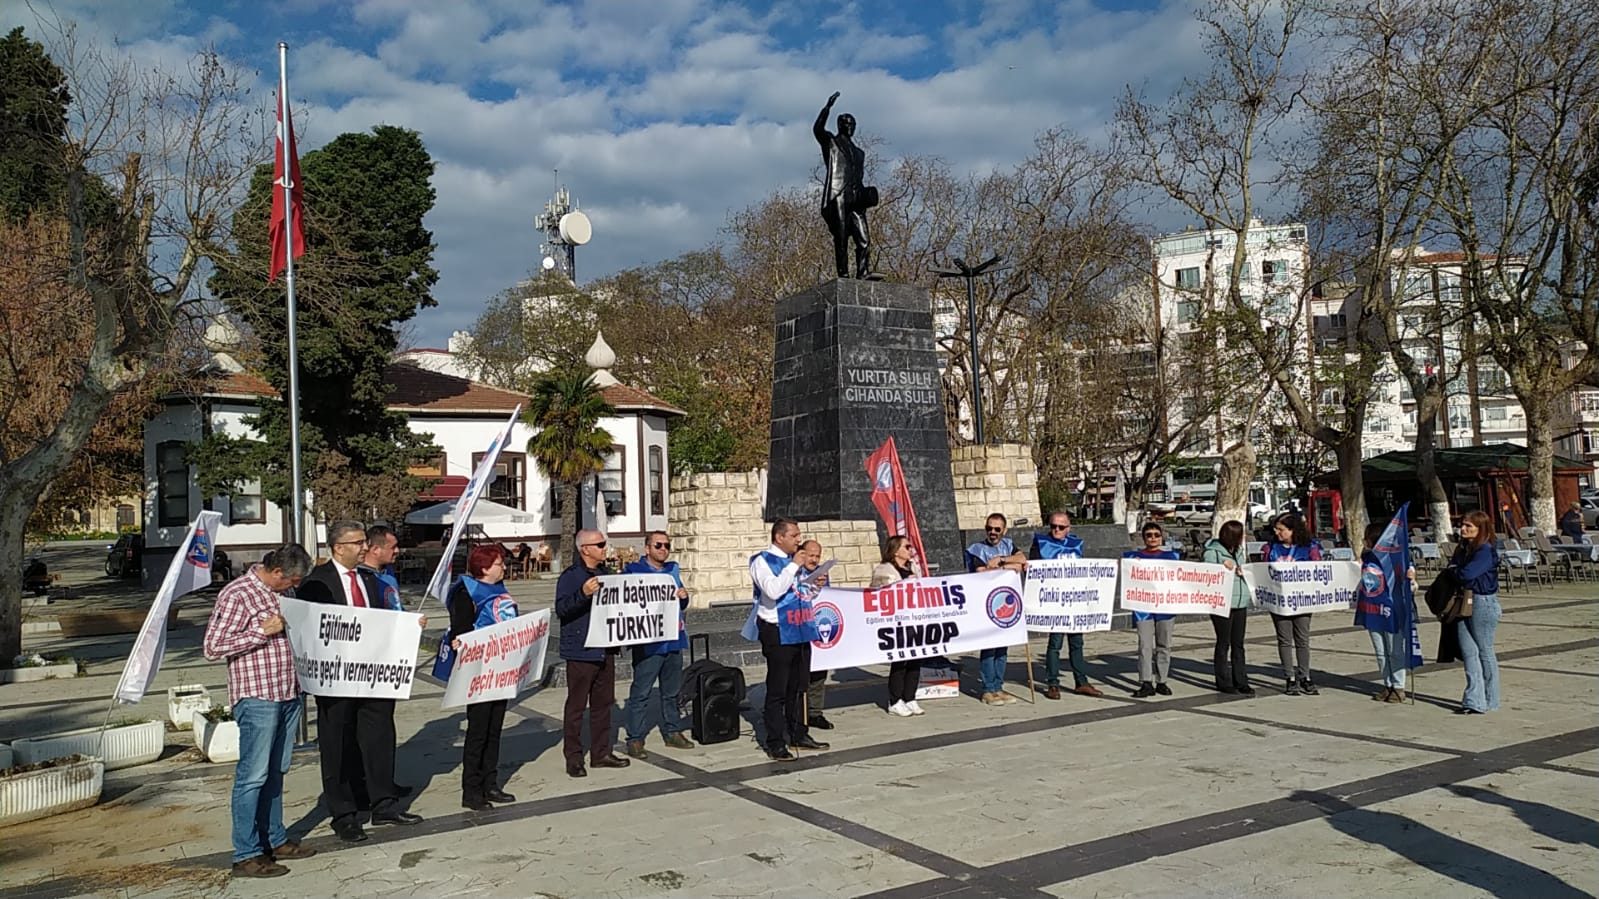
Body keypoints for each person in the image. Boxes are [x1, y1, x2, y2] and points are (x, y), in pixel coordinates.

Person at [298, 521, 422, 842]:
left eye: (366, 541)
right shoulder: (317, 583)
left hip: (373, 675)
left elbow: (383, 619)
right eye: (358, 542)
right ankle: (344, 813)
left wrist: (408, 625)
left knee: (379, 736)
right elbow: (309, 629)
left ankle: (384, 802)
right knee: (338, 743)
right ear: (339, 547)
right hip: (336, 677)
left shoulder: (370, 580)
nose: (365, 547)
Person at [202, 544, 316, 878]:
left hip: (287, 691)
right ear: (277, 571)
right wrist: (259, 632)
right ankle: (246, 852)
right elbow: (212, 646)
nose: (294, 584)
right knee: (253, 776)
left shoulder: (286, 592)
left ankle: (274, 838)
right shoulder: (237, 594)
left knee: (276, 771)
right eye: (292, 578)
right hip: (257, 695)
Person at [447, 544, 520, 810]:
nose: (504, 568)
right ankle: (472, 790)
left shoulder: (500, 589)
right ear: (485, 567)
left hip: (501, 670)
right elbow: (461, 631)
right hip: (479, 673)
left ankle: (491, 783)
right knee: (478, 732)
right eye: (500, 563)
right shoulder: (466, 593)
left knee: (494, 730)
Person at [749, 518, 829, 761]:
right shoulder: (762, 561)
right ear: (779, 537)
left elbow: (800, 592)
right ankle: (775, 741)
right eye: (794, 535)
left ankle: (798, 732)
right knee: (778, 688)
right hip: (777, 629)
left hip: (800, 626)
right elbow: (773, 591)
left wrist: (815, 584)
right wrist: (794, 565)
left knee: (799, 685)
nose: (798, 539)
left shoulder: (797, 562)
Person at [555, 529, 631, 777]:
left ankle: (601, 752)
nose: (604, 547)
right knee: (576, 707)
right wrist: (583, 594)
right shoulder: (571, 576)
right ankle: (574, 758)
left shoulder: (605, 573)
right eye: (599, 544)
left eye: (604, 543)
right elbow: (562, 609)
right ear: (585, 549)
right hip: (581, 649)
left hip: (605, 648)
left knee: (603, 704)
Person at [621, 531, 696, 758]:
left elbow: (682, 603)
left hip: (673, 637)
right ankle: (635, 738)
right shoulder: (633, 571)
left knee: (671, 691)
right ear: (647, 549)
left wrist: (683, 596)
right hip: (648, 642)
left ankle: (672, 731)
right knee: (641, 692)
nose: (663, 549)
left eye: (666, 545)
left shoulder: (672, 569)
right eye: (658, 545)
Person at [1030, 511, 1103, 699]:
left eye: (1061, 527)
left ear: (1068, 528)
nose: (1056, 530)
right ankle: (1052, 683)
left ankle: (1081, 682)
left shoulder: (1075, 544)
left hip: (1074, 602)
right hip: (1054, 602)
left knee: (1077, 643)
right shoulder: (1041, 544)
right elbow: (1033, 572)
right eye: (1053, 526)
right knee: (1055, 644)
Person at [814, 91, 879, 279]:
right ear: (840, 125)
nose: (850, 127)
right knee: (841, 238)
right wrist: (827, 108)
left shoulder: (860, 153)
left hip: (856, 198)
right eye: (847, 124)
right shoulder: (831, 143)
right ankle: (843, 275)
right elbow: (817, 129)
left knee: (864, 240)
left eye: (853, 125)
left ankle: (863, 272)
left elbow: (859, 175)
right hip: (839, 195)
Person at [967, 512, 1027, 705]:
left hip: (1005, 605)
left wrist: (1002, 561)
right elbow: (981, 571)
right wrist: (1010, 567)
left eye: (996, 529)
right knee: (989, 648)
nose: (992, 532)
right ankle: (987, 689)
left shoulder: (1008, 545)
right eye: (989, 528)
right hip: (985, 604)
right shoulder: (976, 549)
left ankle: (998, 686)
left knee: (1002, 647)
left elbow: (1022, 559)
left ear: (1004, 530)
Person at [1356, 520, 1418, 703]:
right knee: (1380, 651)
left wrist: (1410, 579)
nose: (1364, 541)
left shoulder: (1398, 556)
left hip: (1393, 610)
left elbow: (1412, 585)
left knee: (1394, 650)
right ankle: (1388, 684)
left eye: (1366, 537)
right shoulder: (1366, 557)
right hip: (1372, 610)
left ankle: (1399, 687)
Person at [1448, 510, 1501, 714]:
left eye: (1469, 526)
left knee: (1485, 650)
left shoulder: (1484, 550)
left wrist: (1455, 571)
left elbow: (1466, 573)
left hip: (1483, 601)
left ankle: (1491, 698)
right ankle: (1473, 700)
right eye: (1462, 525)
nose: (1463, 529)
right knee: (1469, 651)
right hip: (1463, 601)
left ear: (1480, 529)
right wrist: (1455, 571)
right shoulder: (1463, 549)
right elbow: (1452, 568)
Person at [1264, 513, 1324, 696]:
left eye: (1281, 529)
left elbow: (1320, 570)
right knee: (1284, 639)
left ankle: (1305, 676)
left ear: (1293, 530)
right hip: (1280, 601)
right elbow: (1262, 572)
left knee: (1302, 639)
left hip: (1303, 600)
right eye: (1276, 529)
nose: (1277, 532)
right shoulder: (1270, 548)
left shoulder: (1310, 548)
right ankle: (1289, 677)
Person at [1124, 523, 1179, 698]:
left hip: (1165, 606)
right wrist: (1132, 566)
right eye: (1149, 535)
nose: (1153, 538)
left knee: (1164, 645)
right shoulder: (1134, 557)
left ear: (1161, 536)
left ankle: (1162, 680)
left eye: (1156, 534)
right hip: (1143, 607)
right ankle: (1146, 681)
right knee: (1145, 645)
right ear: (1144, 537)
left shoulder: (1172, 557)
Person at [873, 535, 926, 716]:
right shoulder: (884, 570)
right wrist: (906, 583)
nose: (910, 550)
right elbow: (884, 594)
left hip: (914, 618)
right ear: (896, 551)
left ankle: (909, 697)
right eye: (906, 547)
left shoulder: (912, 567)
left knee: (915, 658)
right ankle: (895, 700)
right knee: (900, 660)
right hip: (896, 622)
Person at [1202, 520, 1254, 695]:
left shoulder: (1239, 550)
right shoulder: (1212, 552)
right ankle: (1223, 681)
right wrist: (1222, 568)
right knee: (1224, 642)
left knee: (1238, 643)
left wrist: (1243, 571)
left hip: (1240, 601)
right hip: (1222, 602)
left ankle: (1241, 680)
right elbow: (1207, 574)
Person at [797, 539, 834, 730]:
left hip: (818, 629)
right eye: (810, 555)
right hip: (797, 628)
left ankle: (815, 712)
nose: (814, 559)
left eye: (817, 556)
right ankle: (797, 712)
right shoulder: (794, 572)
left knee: (819, 673)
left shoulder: (822, 573)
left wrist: (823, 585)